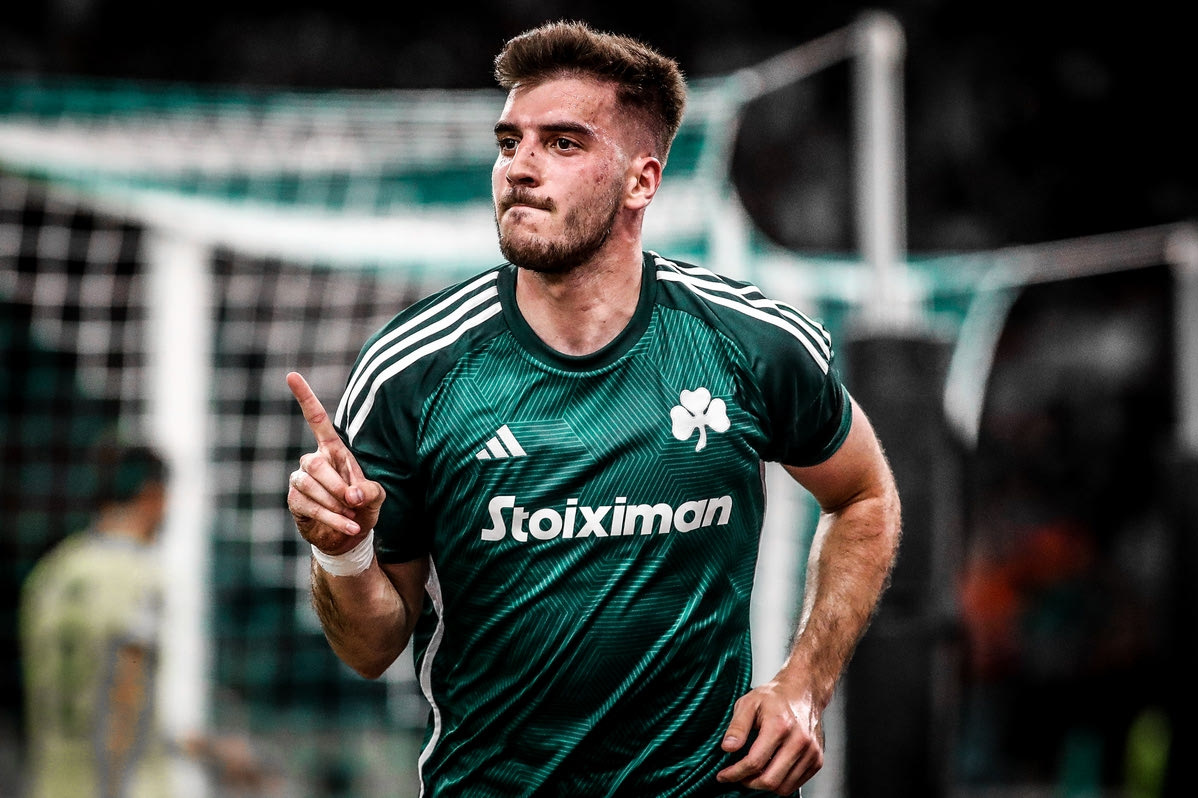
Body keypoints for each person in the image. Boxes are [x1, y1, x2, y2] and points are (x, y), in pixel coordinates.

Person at [286, 19, 901, 797]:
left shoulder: (750, 343)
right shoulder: (412, 370)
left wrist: (804, 686)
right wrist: (342, 553)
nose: (520, 167)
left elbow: (866, 496)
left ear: (642, 181)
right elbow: (370, 648)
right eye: (510, 142)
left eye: (562, 143)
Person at [19, 433, 269, 798]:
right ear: (153, 496)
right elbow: (125, 693)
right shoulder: (139, 576)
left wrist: (206, 749)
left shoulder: (51, 575)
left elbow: (89, 701)